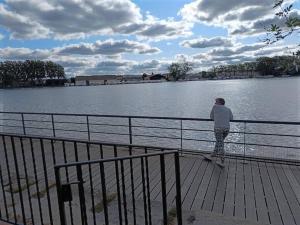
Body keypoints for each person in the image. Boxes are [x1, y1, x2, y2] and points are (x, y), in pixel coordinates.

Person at [210, 98, 233, 165]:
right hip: (227, 129)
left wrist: (217, 117)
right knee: (220, 141)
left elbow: (211, 117)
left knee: (220, 143)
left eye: (216, 102)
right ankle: (214, 154)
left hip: (218, 128)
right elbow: (231, 118)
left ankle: (222, 160)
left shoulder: (215, 107)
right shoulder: (228, 109)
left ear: (220, 102)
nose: (214, 103)